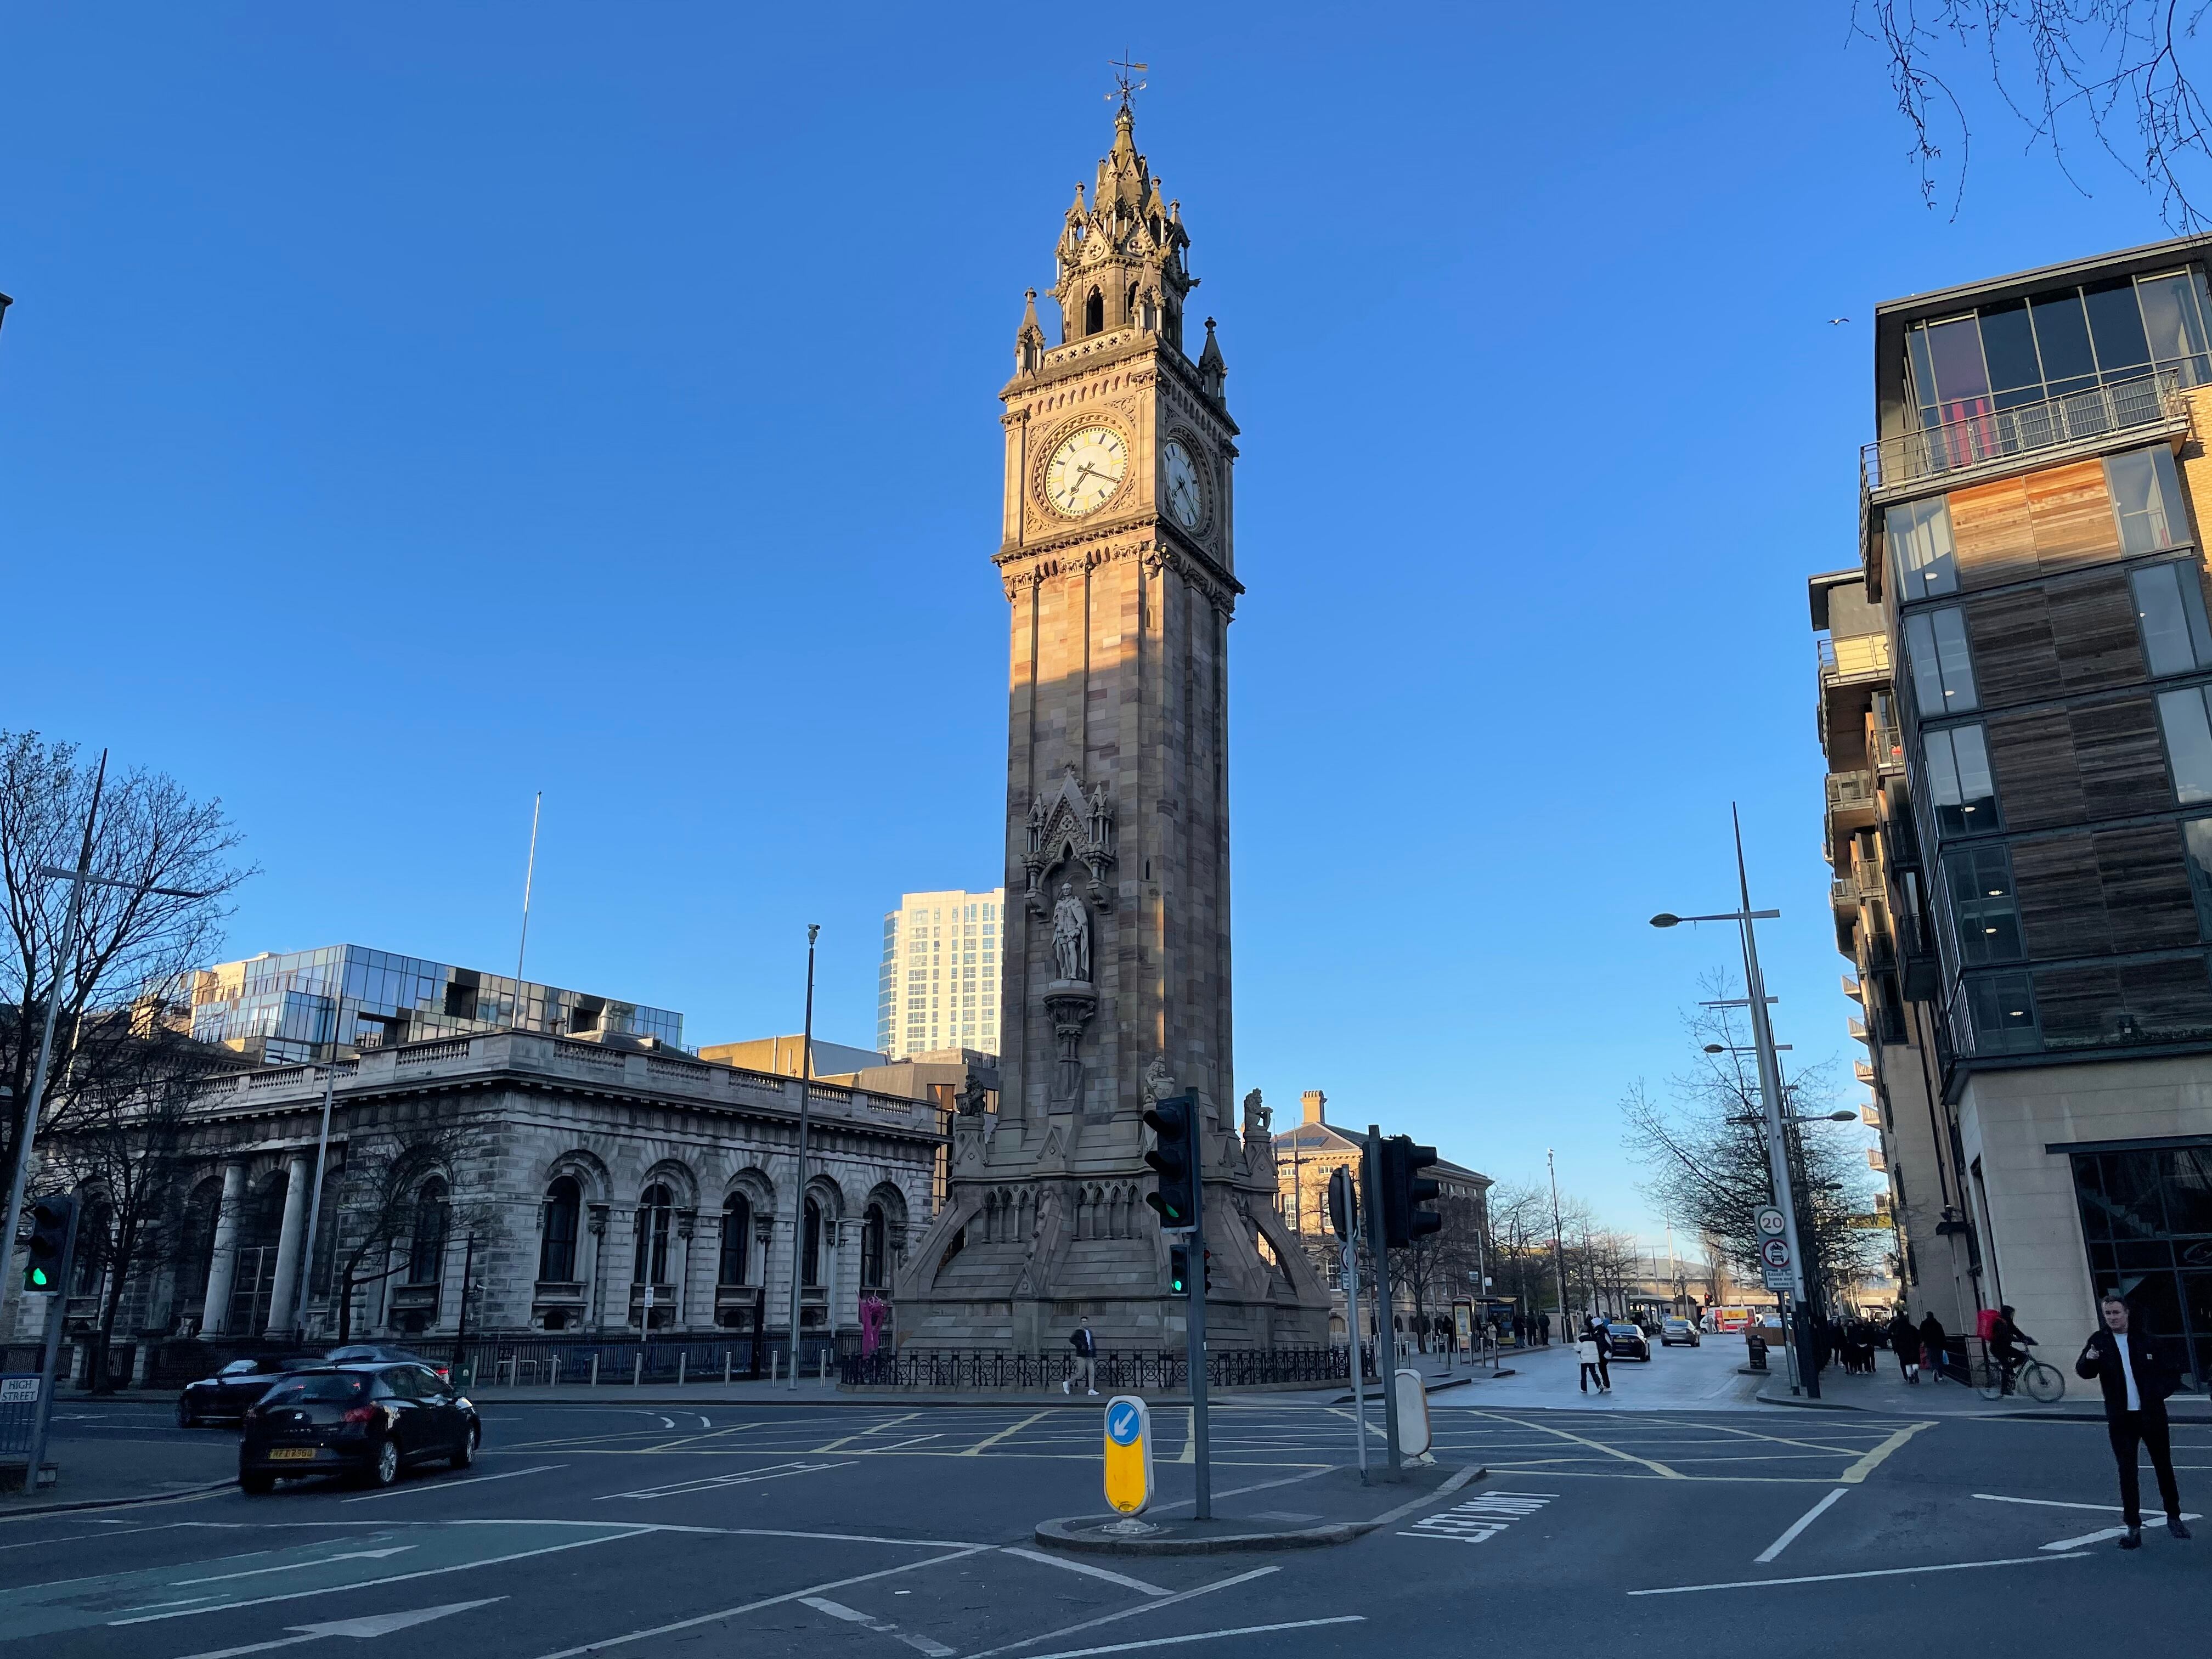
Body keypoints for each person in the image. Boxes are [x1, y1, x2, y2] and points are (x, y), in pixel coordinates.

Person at [2074, 1291, 2191, 1549]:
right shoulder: (2099, 1342)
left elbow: (2173, 1373)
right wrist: (2088, 1360)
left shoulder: (2146, 1341)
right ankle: (2133, 1528)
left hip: (2152, 1415)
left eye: (2116, 1312)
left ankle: (2174, 1517)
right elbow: (2084, 1372)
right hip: (2121, 1419)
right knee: (2127, 1472)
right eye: (2108, 1313)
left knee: (2163, 1466)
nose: (2112, 1317)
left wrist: (2157, 1394)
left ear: (2126, 1313)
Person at [1989, 1304, 2034, 1396]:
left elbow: (2017, 1332)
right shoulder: (1999, 1323)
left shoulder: (2008, 1323)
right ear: (2006, 1314)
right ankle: (2004, 1389)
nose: (2012, 1316)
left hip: (2005, 1348)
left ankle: (2010, 1371)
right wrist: (2019, 1340)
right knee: (2006, 1366)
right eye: (2010, 1314)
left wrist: (2028, 1339)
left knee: (2023, 1357)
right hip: (1997, 1348)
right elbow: (2005, 1337)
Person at [1063, 1318, 1098, 1396]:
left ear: (1088, 1322)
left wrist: (1093, 1352)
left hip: (1089, 1355)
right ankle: (1068, 1383)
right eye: (1083, 1322)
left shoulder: (1089, 1331)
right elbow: (1072, 1340)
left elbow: (1091, 1343)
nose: (1084, 1323)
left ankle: (1091, 1389)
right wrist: (1080, 1345)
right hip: (1081, 1355)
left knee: (1092, 1372)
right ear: (1081, 1323)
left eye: (1085, 1321)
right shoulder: (1078, 1331)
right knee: (1080, 1373)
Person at [1888, 1307, 1922, 1384]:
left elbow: (1889, 1334)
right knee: (1914, 1360)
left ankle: (1908, 1376)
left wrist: (1894, 1339)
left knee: (1905, 1362)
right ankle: (1915, 1370)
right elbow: (1918, 1335)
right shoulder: (1912, 1327)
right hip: (1913, 1346)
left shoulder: (1895, 1326)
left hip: (1901, 1347)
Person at [1919, 1311, 1947, 1385]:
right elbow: (1942, 1335)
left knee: (1931, 1360)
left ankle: (1934, 1370)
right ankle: (1940, 1376)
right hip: (1939, 1345)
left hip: (1929, 1345)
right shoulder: (1938, 1325)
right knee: (1939, 1360)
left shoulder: (1924, 1324)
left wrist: (1923, 1342)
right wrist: (1944, 1345)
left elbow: (1921, 1334)